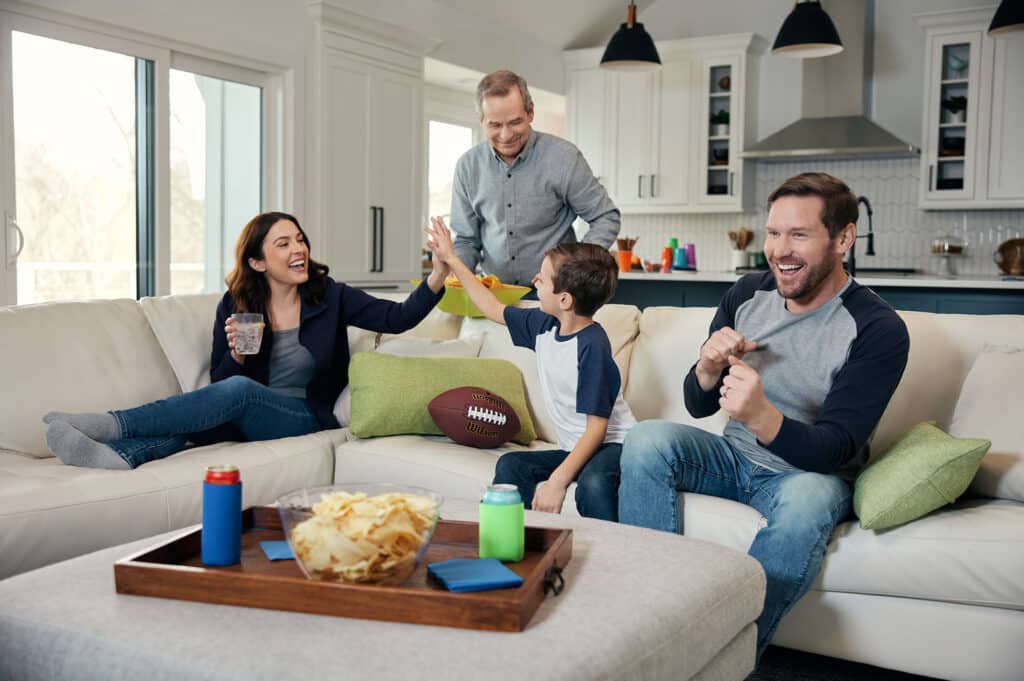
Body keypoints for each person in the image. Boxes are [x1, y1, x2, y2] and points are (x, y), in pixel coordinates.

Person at [617, 173, 910, 658]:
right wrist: (708, 368)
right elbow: (698, 403)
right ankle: (652, 619)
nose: (780, 250)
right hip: (731, 459)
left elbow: (837, 447)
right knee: (647, 439)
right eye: (774, 233)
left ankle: (721, 652)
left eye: (799, 235)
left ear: (843, 238)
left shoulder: (878, 328)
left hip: (805, 475)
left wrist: (760, 415)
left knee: (813, 501)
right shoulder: (748, 294)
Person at [43, 211, 449, 469]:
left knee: (238, 392)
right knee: (196, 419)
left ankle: (110, 423)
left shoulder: (332, 296)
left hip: (303, 416)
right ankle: (120, 455)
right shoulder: (236, 304)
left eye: (300, 239)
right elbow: (222, 381)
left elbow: (398, 318)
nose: (299, 248)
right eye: (284, 243)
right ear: (257, 262)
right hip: (247, 413)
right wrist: (236, 354)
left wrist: (437, 275)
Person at [426, 216, 635, 520]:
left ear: (564, 299)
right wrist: (452, 259)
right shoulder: (544, 325)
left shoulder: (592, 345)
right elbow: (491, 306)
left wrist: (557, 482)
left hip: (614, 447)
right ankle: (507, 544)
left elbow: (597, 429)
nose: (535, 280)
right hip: (574, 447)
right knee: (512, 466)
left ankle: (613, 559)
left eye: (543, 278)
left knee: (593, 485)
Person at [449, 69, 621, 287]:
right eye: (495, 124)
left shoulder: (564, 158)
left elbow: (606, 216)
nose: (506, 135)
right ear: (482, 120)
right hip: (494, 295)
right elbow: (466, 240)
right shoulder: (468, 167)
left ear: (530, 113)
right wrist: (459, 281)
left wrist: (577, 267)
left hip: (556, 295)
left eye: (514, 122)